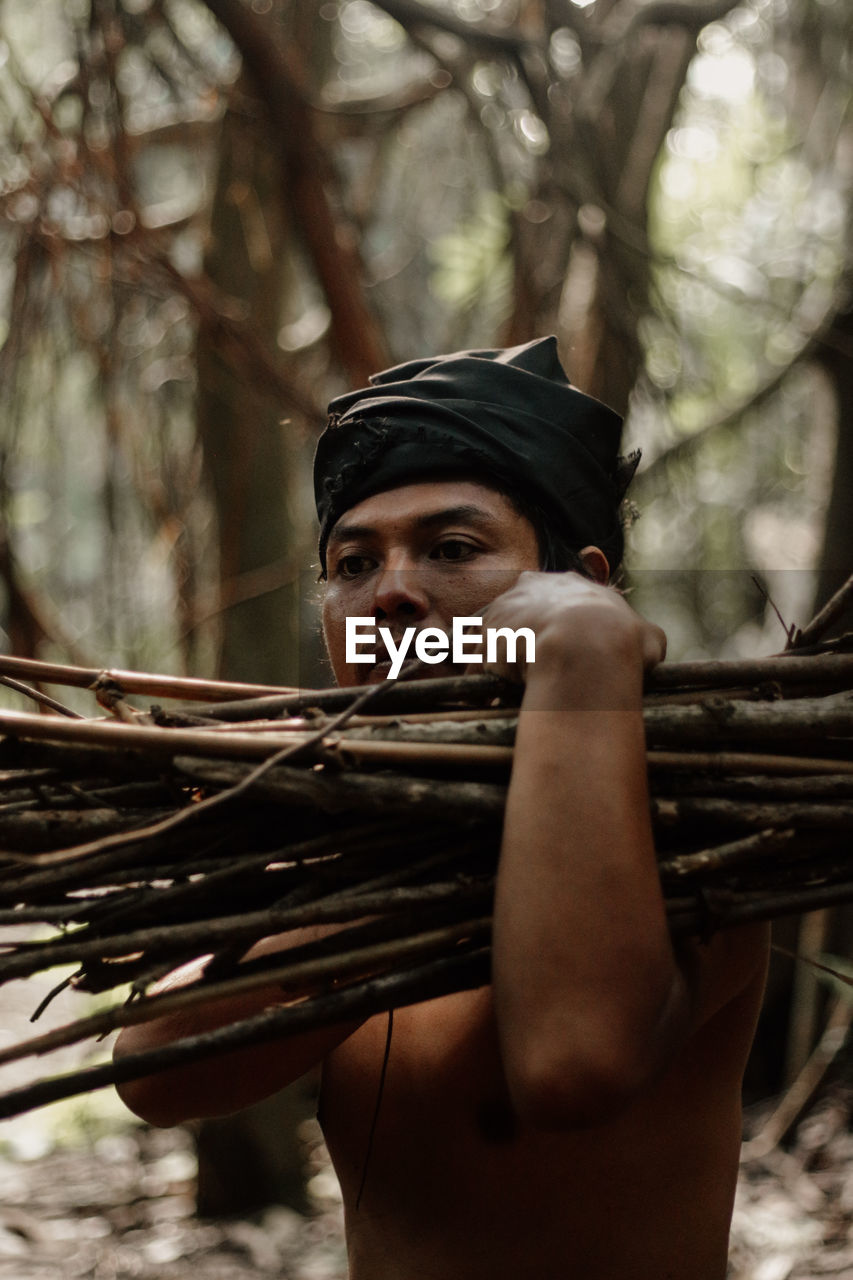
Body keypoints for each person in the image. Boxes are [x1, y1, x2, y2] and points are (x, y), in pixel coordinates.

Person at [115, 337, 769, 1279]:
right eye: (351, 563)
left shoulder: (703, 836)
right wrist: (395, 848)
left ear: (577, 580)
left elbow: (570, 1062)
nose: (393, 594)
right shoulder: (327, 837)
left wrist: (583, 652)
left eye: (451, 549)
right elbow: (156, 1071)